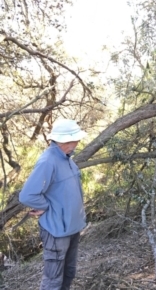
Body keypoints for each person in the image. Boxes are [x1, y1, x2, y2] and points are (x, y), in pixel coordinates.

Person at [19, 118, 87, 290]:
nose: (78, 141)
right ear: (66, 140)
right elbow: (27, 195)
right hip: (56, 231)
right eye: (76, 138)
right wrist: (44, 206)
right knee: (53, 280)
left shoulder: (67, 158)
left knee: (69, 273)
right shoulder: (48, 161)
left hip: (72, 228)